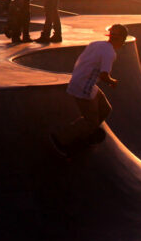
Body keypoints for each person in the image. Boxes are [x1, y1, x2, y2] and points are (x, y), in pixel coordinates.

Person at [50, 24, 128, 157]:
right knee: (91, 121)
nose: (124, 43)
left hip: (83, 82)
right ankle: (61, 140)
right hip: (84, 86)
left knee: (105, 109)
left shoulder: (96, 44)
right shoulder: (109, 53)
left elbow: (82, 61)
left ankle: (85, 135)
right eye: (124, 39)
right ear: (120, 39)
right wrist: (112, 82)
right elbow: (104, 75)